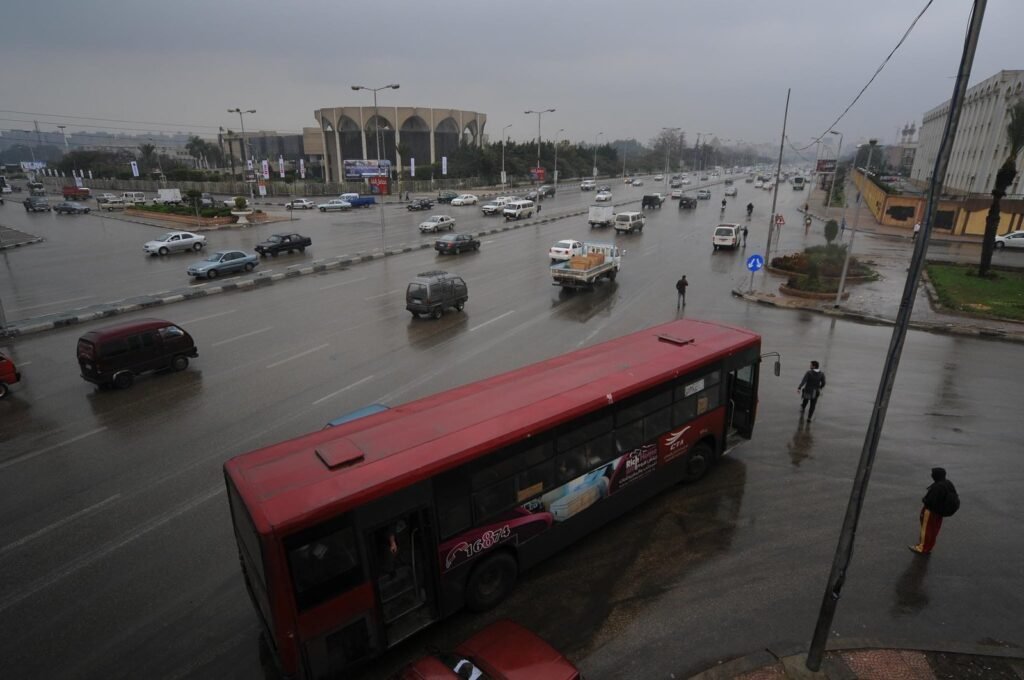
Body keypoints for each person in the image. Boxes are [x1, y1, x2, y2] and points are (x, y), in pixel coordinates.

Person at [910, 467, 958, 554]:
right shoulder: (948, 483)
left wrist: (924, 500)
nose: (932, 475)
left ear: (936, 475)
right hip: (940, 512)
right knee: (934, 530)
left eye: (933, 474)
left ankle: (922, 547)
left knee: (926, 529)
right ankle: (928, 547)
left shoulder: (937, 487)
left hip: (931, 512)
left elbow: (930, 502)